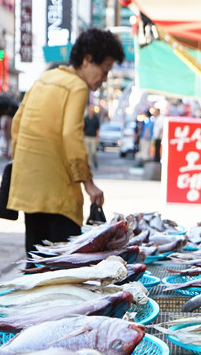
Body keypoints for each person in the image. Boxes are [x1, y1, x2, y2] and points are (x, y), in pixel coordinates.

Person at [7, 28, 125, 255]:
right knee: (62, 268)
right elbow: (71, 135)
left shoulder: (45, 78)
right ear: (87, 59)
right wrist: (89, 184)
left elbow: (17, 124)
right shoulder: (78, 87)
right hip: (57, 194)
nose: (104, 78)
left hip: (29, 191)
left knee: (36, 262)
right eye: (105, 70)